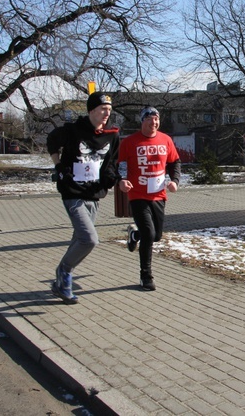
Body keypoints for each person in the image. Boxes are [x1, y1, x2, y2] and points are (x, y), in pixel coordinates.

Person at [47, 92, 121, 304]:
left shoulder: (112, 136)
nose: (107, 113)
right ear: (91, 111)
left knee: (79, 239)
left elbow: (111, 164)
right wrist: (59, 165)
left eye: (109, 110)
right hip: (72, 192)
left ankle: (61, 284)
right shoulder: (72, 130)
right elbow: (52, 141)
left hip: (94, 195)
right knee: (89, 239)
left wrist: (114, 180)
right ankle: (64, 271)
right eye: (102, 109)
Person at [118, 106, 181, 291]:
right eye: (149, 120)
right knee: (148, 233)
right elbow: (121, 164)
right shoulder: (129, 142)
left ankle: (134, 234)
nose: (153, 123)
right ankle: (146, 276)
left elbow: (175, 162)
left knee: (156, 236)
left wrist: (175, 180)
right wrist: (122, 181)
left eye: (156, 120)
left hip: (159, 194)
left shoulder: (166, 140)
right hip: (137, 194)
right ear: (142, 121)